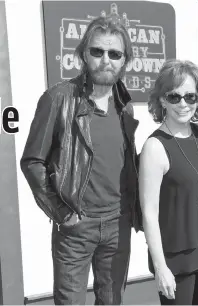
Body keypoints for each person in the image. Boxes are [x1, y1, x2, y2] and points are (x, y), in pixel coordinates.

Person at [20, 13, 141, 305]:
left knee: (111, 301)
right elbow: (32, 162)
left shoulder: (125, 105)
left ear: (124, 60)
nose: (105, 60)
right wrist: (62, 213)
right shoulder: (59, 98)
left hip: (117, 224)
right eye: (97, 51)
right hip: (76, 227)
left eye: (114, 53)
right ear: (83, 54)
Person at [139, 59, 198, 305]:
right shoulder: (155, 147)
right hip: (175, 263)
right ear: (162, 100)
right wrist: (160, 268)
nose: (183, 104)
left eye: (191, 97)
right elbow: (149, 214)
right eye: (174, 97)